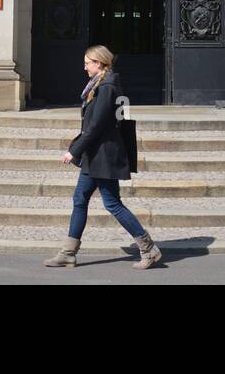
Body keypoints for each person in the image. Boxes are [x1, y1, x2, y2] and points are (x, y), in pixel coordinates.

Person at [43, 45, 162, 269]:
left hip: (103, 155)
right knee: (80, 199)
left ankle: (149, 249)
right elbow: (116, 119)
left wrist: (74, 151)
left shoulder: (106, 87)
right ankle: (68, 252)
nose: (84, 66)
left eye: (88, 62)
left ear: (99, 63)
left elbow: (97, 125)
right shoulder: (104, 84)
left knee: (112, 204)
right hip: (96, 155)